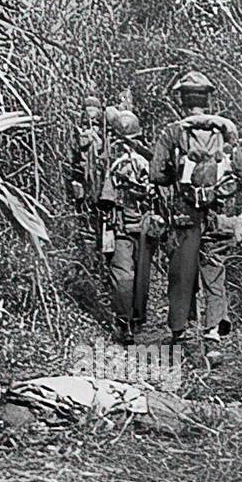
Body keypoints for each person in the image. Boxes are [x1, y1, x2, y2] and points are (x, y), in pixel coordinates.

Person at [149, 70, 242, 365]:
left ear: (182, 99)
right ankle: (213, 335)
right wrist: (219, 193)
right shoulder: (224, 132)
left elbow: (157, 174)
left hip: (184, 214)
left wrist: (178, 180)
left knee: (181, 272)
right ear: (208, 98)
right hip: (218, 215)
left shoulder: (172, 132)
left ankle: (179, 332)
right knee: (215, 272)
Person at [97, 110, 163, 344]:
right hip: (137, 226)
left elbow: (105, 200)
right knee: (136, 276)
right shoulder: (145, 160)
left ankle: (128, 321)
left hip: (130, 227)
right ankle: (132, 320)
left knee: (127, 275)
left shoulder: (118, 163)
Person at [68, 92, 106, 240]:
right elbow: (76, 147)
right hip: (82, 167)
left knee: (97, 195)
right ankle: (84, 222)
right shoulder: (79, 129)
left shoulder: (102, 129)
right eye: (88, 108)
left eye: (94, 108)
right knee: (81, 194)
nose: (91, 111)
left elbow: (103, 147)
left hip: (96, 168)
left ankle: (97, 225)